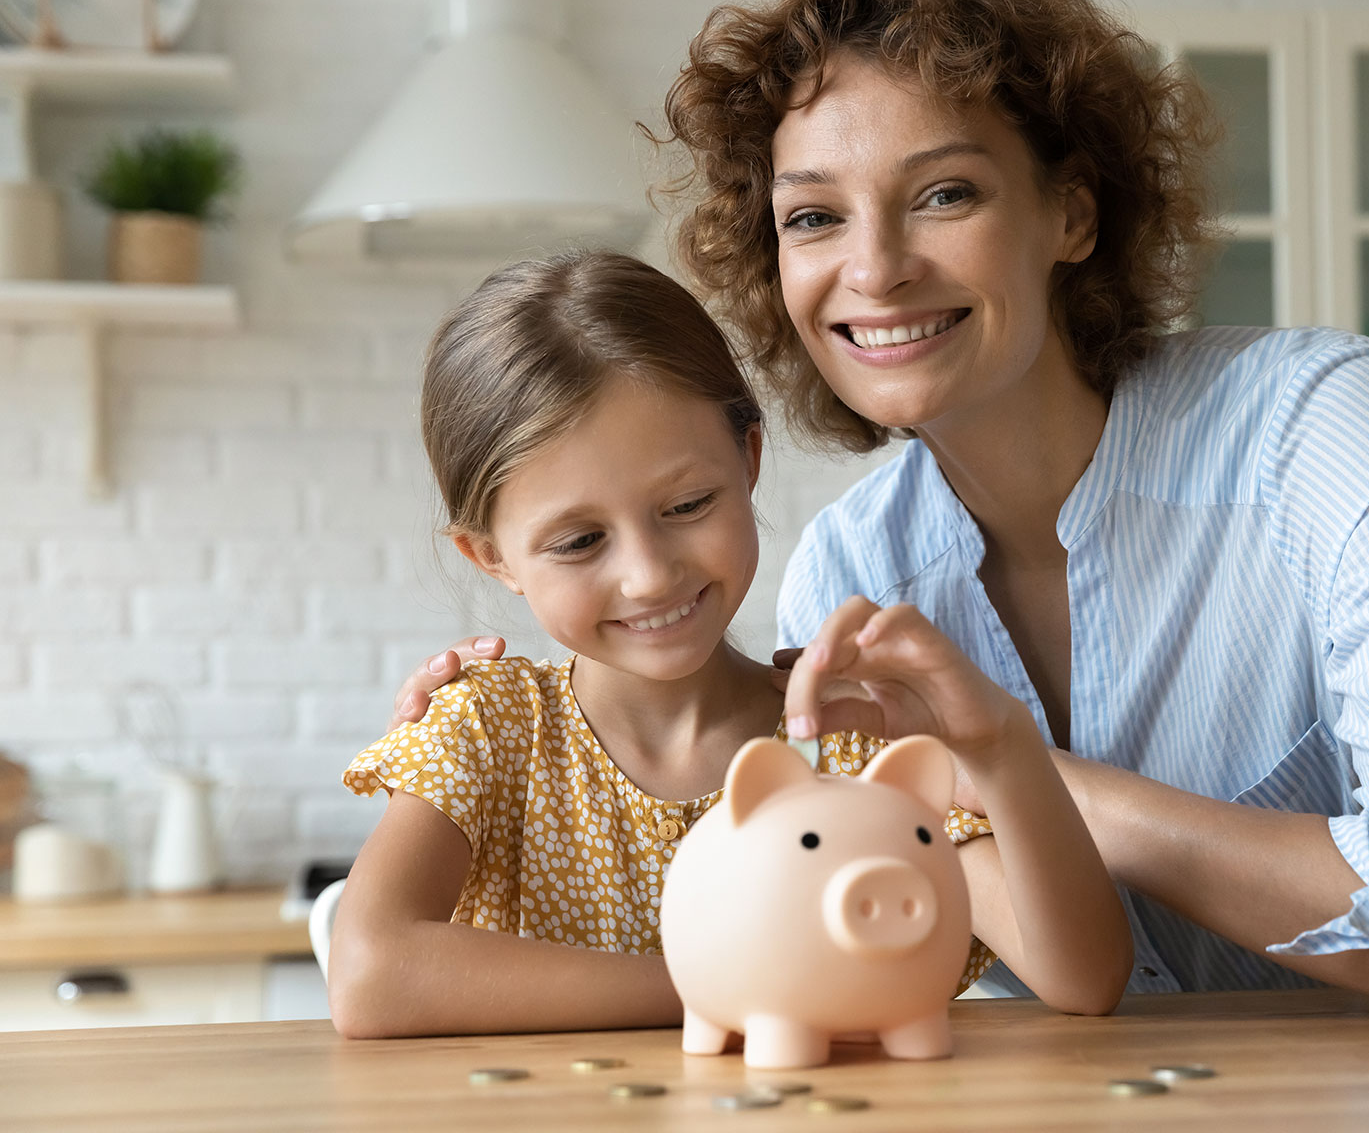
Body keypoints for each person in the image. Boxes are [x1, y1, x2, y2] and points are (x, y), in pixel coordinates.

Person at [394, 0, 1369, 1028]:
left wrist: (1026, 774)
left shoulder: (1314, 427)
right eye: (814, 216)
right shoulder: (849, 578)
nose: (876, 269)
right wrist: (514, 728)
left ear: (1071, 210)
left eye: (945, 193)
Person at [328, 250, 1130, 1038]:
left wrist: (1000, 746)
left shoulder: (846, 743)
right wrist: (734, 981)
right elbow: (370, 975)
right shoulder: (490, 730)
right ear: (492, 557)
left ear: (747, 459)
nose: (648, 576)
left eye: (686, 505)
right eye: (579, 542)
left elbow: (1083, 979)